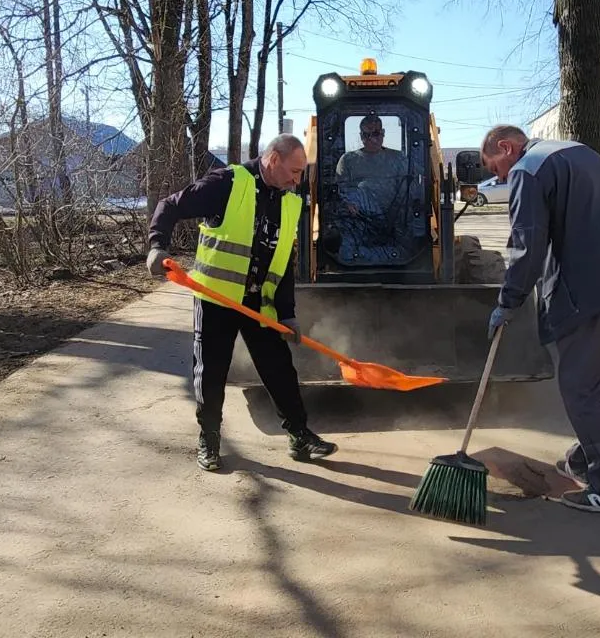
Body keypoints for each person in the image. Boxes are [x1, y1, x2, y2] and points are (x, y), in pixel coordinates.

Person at [481, 125, 600, 515]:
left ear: (507, 147)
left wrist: (508, 302)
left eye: (495, 168)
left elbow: (526, 246)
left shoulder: (528, 170)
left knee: (580, 388)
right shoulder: (578, 151)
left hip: (593, 290)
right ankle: (586, 459)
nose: (499, 178)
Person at [146, 134, 338, 472]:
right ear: (273, 160)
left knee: (279, 368)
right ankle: (209, 437)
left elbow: (283, 264)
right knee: (211, 371)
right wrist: (157, 245)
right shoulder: (228, 183)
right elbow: (170, 205)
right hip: (217, 299)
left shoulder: (290, 201)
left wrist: (288, 314)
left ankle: (299, 435)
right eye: (293, 172)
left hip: (257, 304)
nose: (297, 181)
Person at [335, 114, 407, 215]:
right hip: (357, 222)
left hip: (395, 220)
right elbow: (341, 193)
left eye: (376, 134)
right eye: (366, 135)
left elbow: (407, 193)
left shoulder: (399, 159)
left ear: (383, 133)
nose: (372, 139)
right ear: (361, 136)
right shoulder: (347, 161)